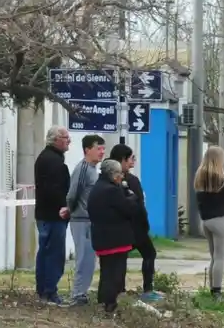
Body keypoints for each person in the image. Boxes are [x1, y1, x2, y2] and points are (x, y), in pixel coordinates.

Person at [109, 144, 161, 302]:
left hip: (123, 227)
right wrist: (144, 224)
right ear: (122, 160)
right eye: (131, 158)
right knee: (148, 253)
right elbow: (138, 204)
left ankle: (120, 290)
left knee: (121, 258)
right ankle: (147, 289)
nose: (133, 162)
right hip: (134, 227)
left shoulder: (108, 178)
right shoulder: (129, 180)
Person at [87, 159, 137, 314]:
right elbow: (127, 209)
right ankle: (110, 303)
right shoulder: (112, 190)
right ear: (114, 175)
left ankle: (103, 300)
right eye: (119, 174)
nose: (121, 177)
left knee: (106, 270)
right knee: (116, 271)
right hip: (116, 238)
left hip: (101, 237)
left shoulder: (97, 187)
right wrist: (132, 198)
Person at [65, 134, 106, 305]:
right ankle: (77, 294)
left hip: (90, 220)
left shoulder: (93, 170)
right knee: (84, 258)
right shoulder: (82, 169)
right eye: (98, 148)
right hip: (81, 219)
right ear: (87, 149)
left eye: (103, 149)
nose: (102, 152)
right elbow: (73, 194)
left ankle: (82, 293)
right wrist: (71, 210)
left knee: (90, 258)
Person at [194, 145, 224, 297]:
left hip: (206, 221)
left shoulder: (200, 176)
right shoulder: (221, 179)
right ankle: (217, 292)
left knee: (214, 257)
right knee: (220, 257)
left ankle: (212, 289)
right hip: (220, 220)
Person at [33, 126, 71, 305]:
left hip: (45, 213)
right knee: (53, 254)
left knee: (45, 252)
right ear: (55, 139)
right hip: (53, 215)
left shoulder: (46, 158)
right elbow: (55, 190)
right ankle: (49, 291)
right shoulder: (53, 162)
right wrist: (65, 206)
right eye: (65, 137)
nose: (68, 140)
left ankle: (43, 290)